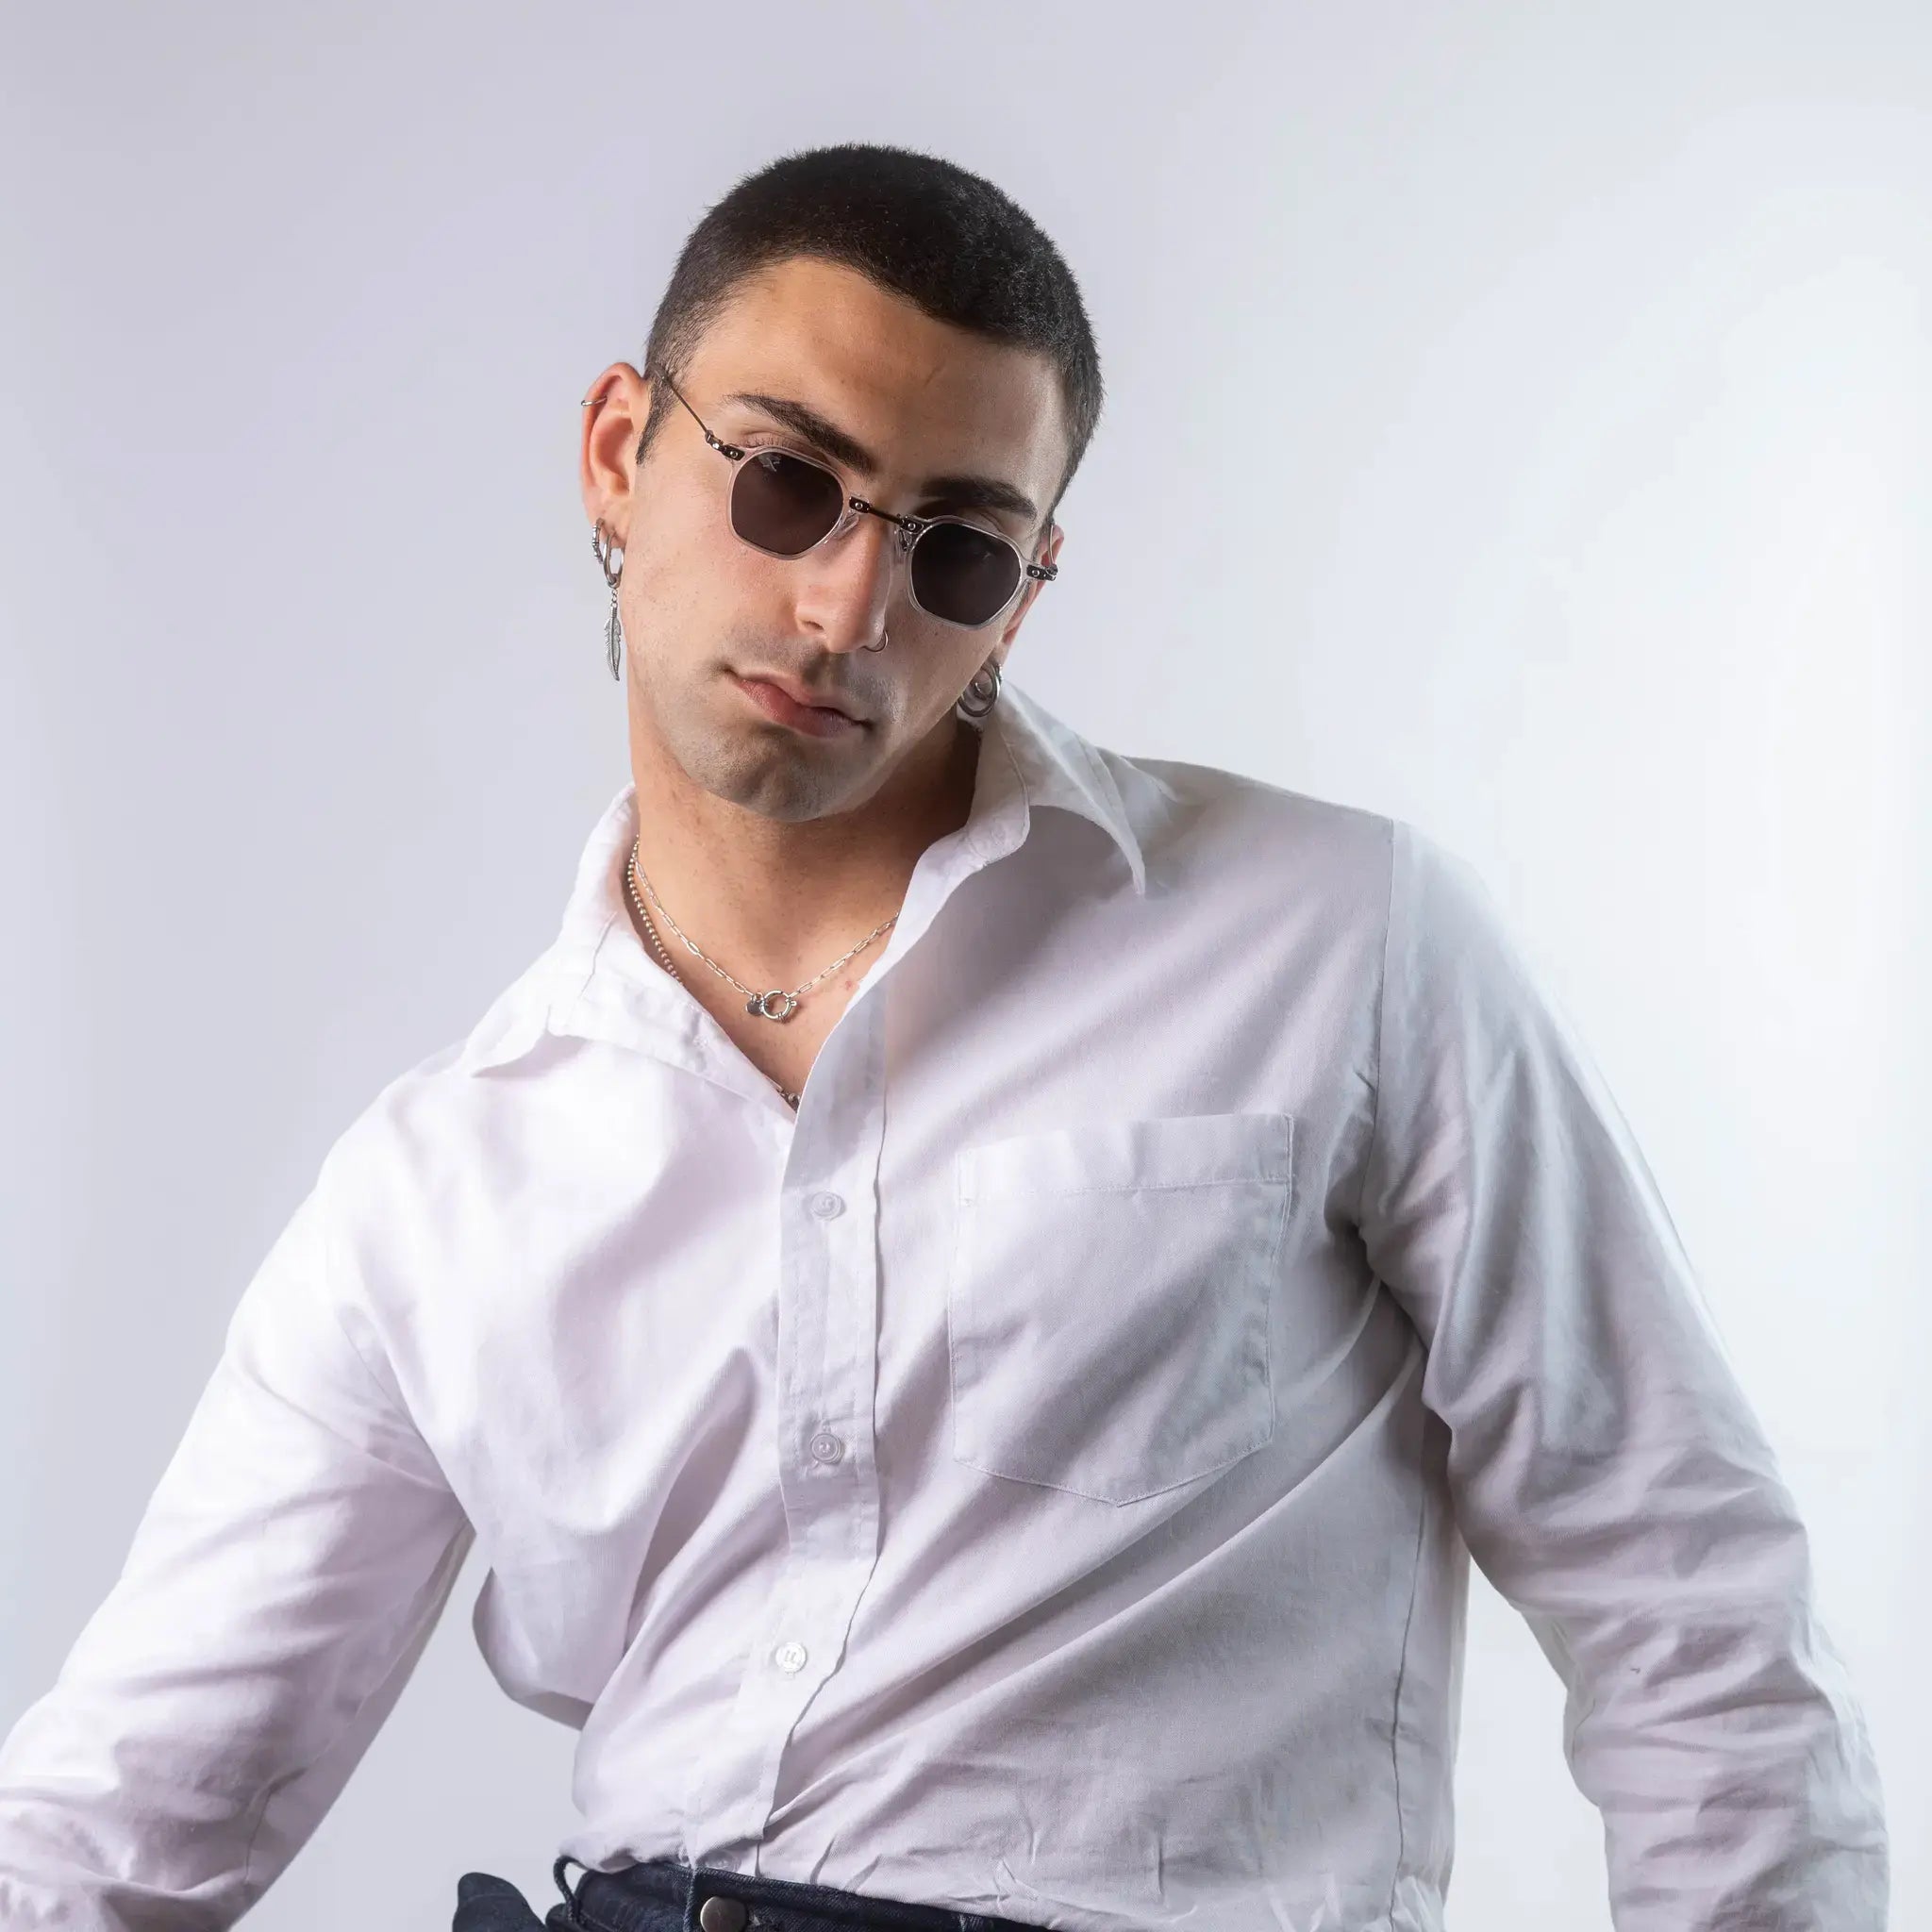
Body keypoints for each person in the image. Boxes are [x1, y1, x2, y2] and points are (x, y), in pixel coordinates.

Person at [0, 142, 1889, 1932]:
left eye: (956, 549)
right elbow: (116, 1823)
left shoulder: (1340, 944)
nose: (846, 606)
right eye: (785, 483)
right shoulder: (437, 1185)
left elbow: (1691, 1602)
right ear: (614, 451)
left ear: (1025, 591)